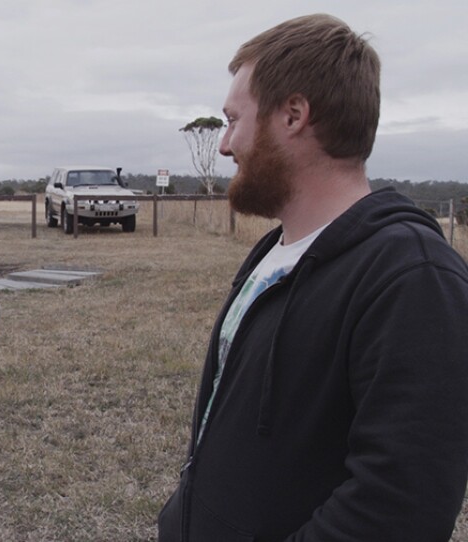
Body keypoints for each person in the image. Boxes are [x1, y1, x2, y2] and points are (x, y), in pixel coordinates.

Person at [158, 14, 468, 542]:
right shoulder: (275, 253)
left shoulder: (413, 278)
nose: (225, 145)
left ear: (294, 115)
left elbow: (398, 509)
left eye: (234, 120)